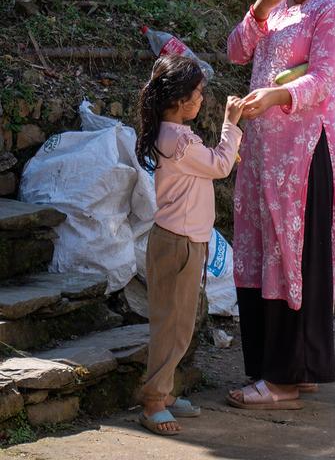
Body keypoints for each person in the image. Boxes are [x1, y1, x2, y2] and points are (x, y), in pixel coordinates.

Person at [227, 0, 335, 410]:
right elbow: (238, 52)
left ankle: (281, 380)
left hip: (304, 157)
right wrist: (260, 7)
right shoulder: (277, 6)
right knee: (263, 252)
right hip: (262, 155)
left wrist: (274, 99)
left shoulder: (333, 13)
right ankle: (287, 370)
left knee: (294, 257)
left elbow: (323, 81)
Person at [135, 54, 244, 436]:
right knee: (173, 325)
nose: (202, 99)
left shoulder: (173, 136)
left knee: (181, 322)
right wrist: (231, 124)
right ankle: (152, 402)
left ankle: (164, 393)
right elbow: (219, 166)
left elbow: (210, 165)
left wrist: (222, 153)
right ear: (180, 100)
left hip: (184, 241)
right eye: (198, 93)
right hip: (178, 243)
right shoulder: (179, 139)